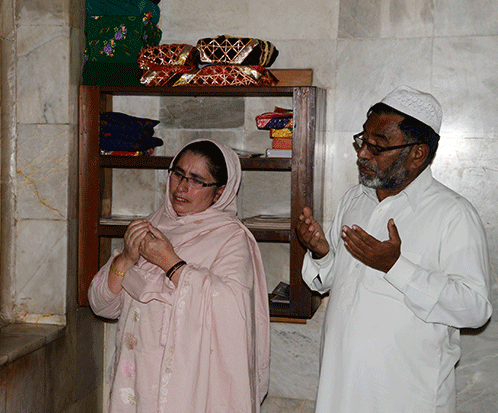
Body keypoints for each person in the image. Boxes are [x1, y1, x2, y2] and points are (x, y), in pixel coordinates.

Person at [296, 85, 493, 413]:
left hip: (406, 396)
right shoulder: (354, 199)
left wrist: (395, 266)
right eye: (363, 141)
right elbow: (329, 282)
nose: (362, 154)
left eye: (378, 146)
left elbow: (475, 309)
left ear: (417, 154)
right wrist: (320, 252)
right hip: (340, 386)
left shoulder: (453, 214)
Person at [89, 139, 270, 412]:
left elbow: (233, 311)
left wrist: (171, 264)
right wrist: (126, 258)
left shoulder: (231, 239)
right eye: (178, 174)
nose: (182, 187)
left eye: (197, 181)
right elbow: (102, 305)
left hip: (190, 387)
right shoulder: (152, 225)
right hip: (137, 379)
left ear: (220, 192)